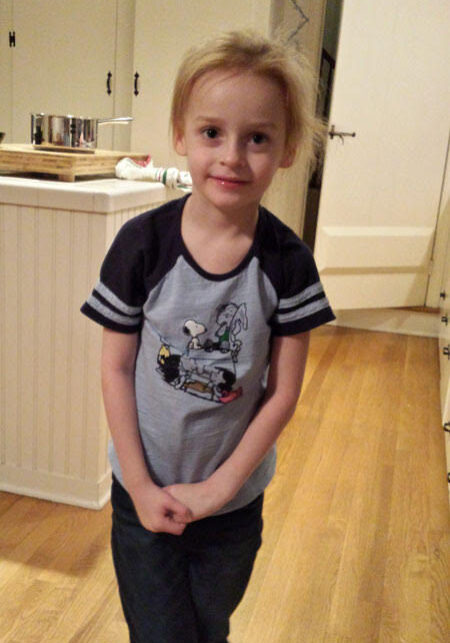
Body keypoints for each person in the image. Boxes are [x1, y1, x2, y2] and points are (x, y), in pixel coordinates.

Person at [81, 29, 335, 643]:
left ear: (288, 149)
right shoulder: (141, 246)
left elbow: (283, 392)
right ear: (180, 135)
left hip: (233, 505)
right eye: (211, 133)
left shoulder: (288, 262)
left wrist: (221, 489)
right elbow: (116, 368)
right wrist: (139, 486)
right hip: (142, 492)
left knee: (208, 626)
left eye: (258, 138)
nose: (231, 156)